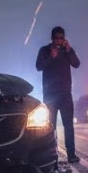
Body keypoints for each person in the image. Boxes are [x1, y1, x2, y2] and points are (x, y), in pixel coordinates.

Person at [36, 26, 81, 162]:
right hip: (50, 95)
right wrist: (51, 57)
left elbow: (77, 64)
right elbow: (39, 66)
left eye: (62, 38)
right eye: (57, 38)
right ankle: (51, 157)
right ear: (52, 38)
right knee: (50, 127)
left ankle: (71, 155)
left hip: (66, 95)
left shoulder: (67, 51)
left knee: (68, 126)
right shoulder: (44, 50)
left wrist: (68, 51)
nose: (59, 41)